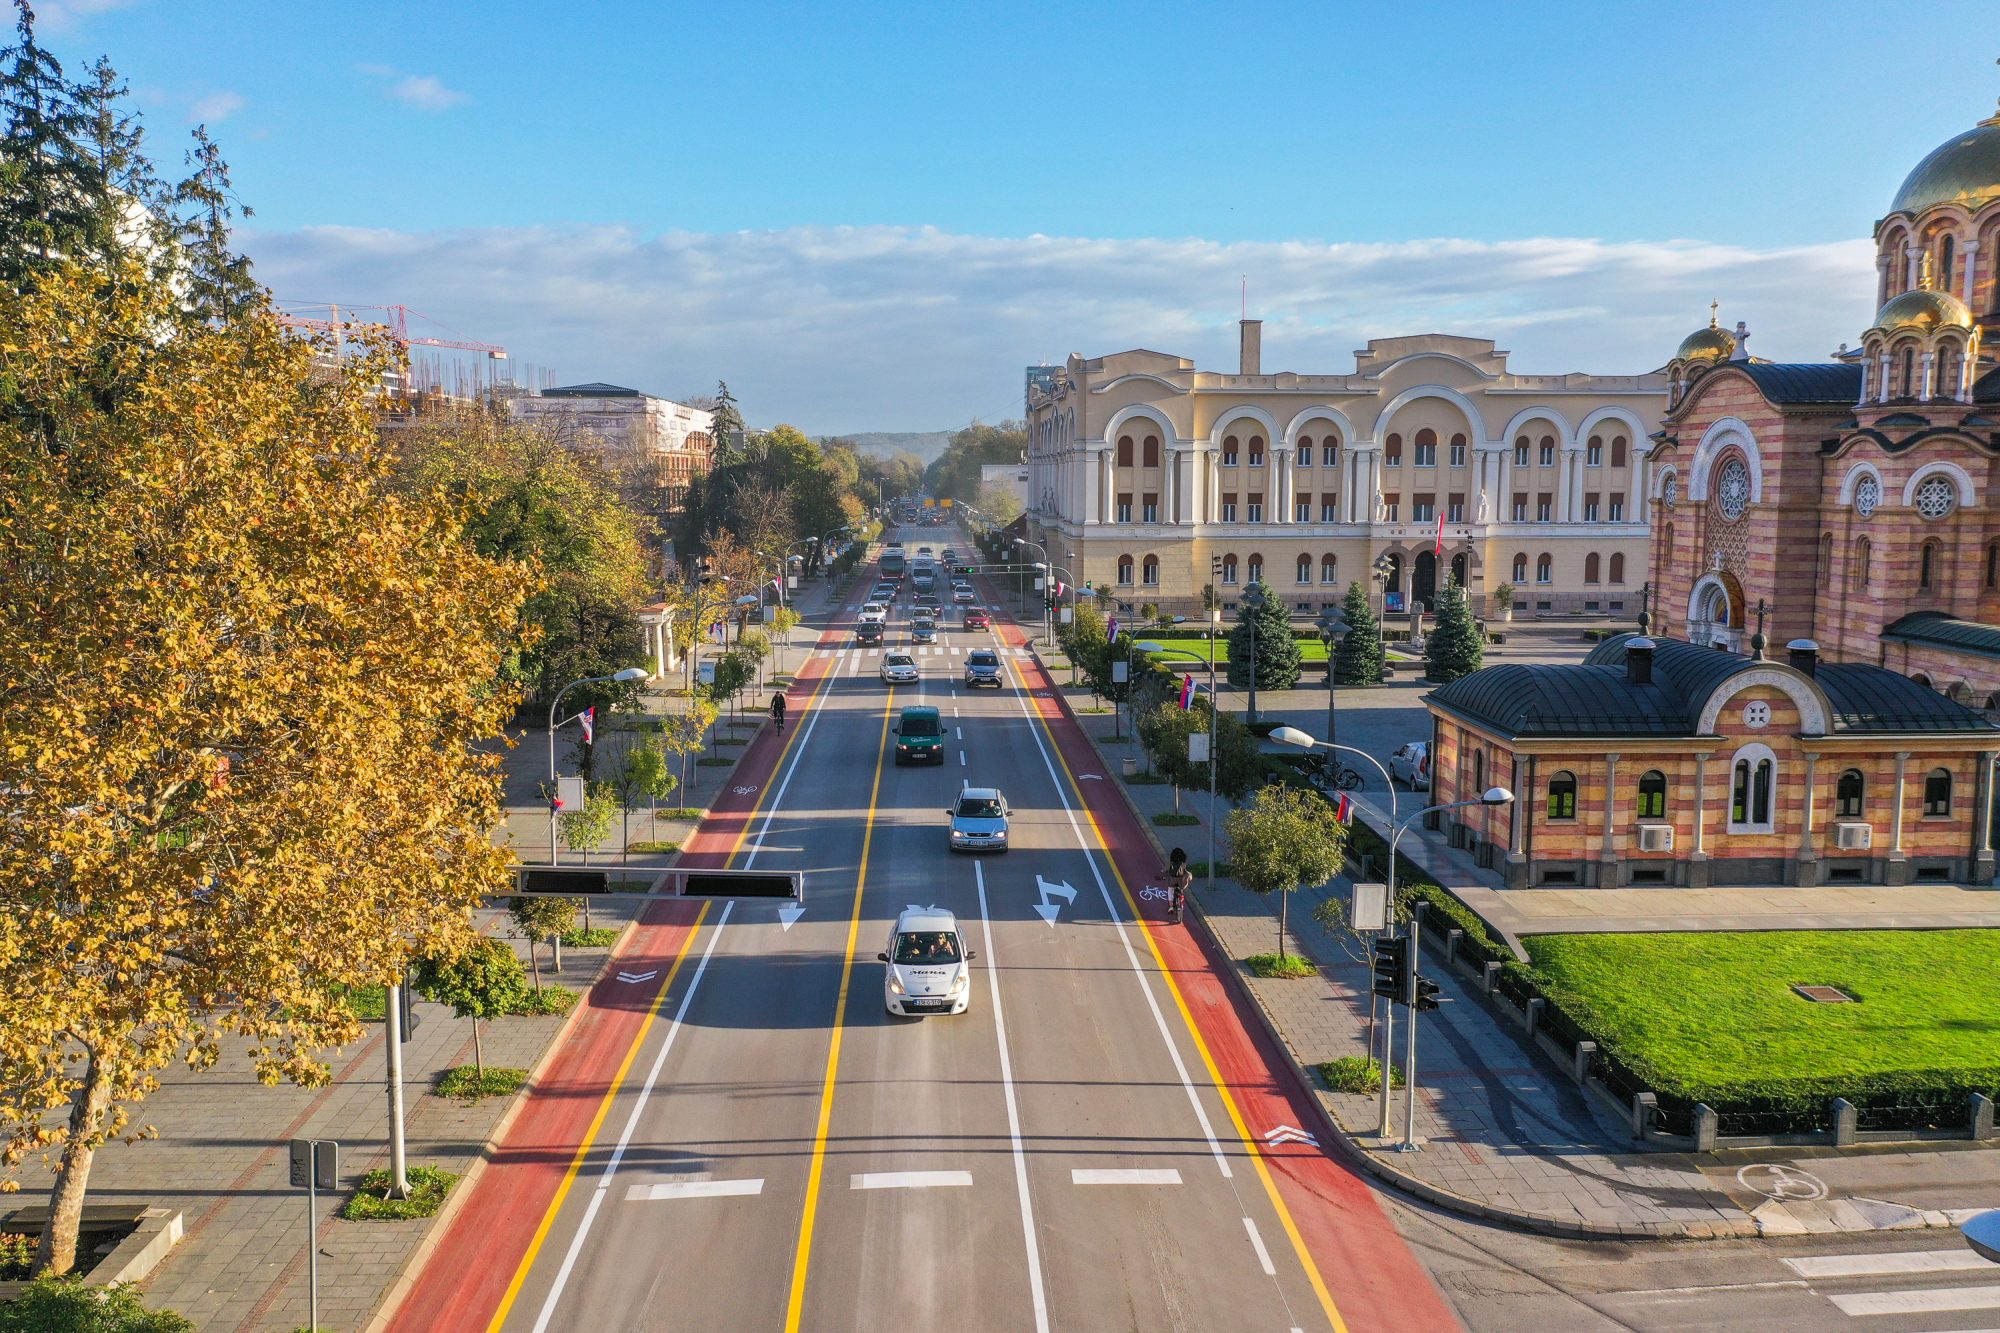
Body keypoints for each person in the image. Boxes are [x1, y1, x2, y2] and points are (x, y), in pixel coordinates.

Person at [1161, 847, 1192, 921]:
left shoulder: (1171, 862)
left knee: (1170, 890)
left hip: (1172, 881)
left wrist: (1162, 871)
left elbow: (1165, 869)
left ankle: (1171, 906)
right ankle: (1180, 900)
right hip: (1181, 881)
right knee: (1182, 888)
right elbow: (1184, 870)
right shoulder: (1183, 862)